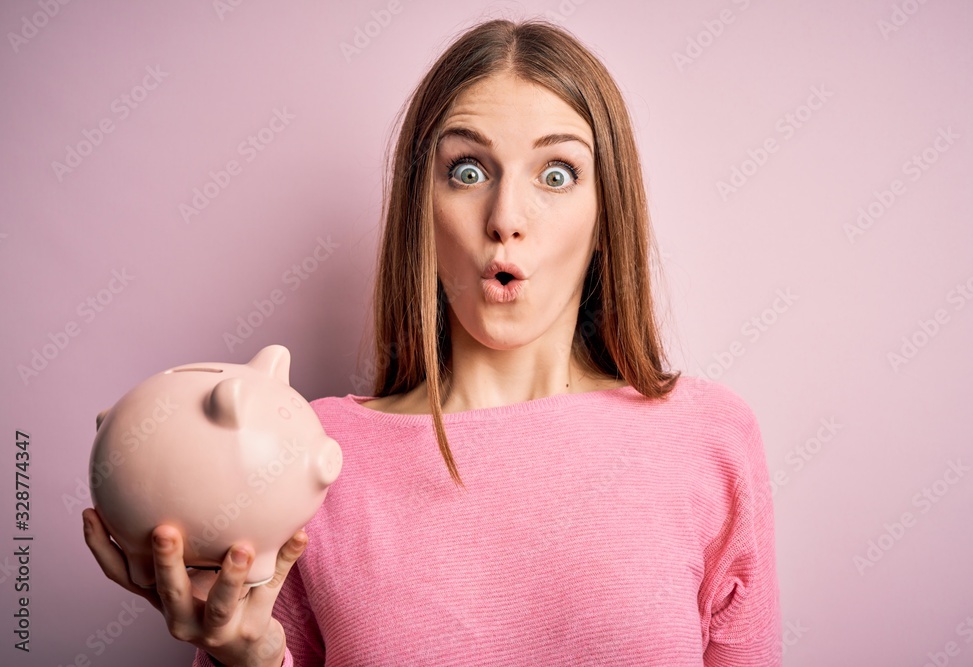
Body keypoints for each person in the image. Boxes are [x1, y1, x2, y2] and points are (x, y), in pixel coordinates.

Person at [83, 17, 781, 667]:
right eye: (468, 171)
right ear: (422, 207)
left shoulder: (708, 437)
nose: (506, 217)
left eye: (557, 174)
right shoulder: (308, 454)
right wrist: (251, 661)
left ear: (607, 213)